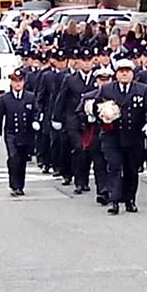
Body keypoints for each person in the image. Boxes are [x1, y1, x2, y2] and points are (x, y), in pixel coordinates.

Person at [93, 59, 147, 215]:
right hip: (112, 135)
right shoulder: (107, 90)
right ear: (116, 73)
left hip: (134, 136)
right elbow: (95, 107)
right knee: (114, 167)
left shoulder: (142, 89)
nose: (124, 73)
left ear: (132, 73)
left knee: (131, 169)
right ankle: (113, 200)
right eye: (121, 71)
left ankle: (130, 200)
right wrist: (102, 114)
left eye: (127, 70)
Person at [53, 48, 98, 194]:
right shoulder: (70, 79)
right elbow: (61, 99)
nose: (86, 64)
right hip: (73, 120)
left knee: (89, 151)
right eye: (83, 61)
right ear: (78, 62)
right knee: (79, 149)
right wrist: (57, 117)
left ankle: (84, 180)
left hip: (91, 121)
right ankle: (79, 181)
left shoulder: (96, 80)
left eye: (89, 60)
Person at [0, 69, 39, 197]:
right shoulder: (5, 98)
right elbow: (0, 116)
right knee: (13, 157)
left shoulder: (30, 97)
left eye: (20, 81)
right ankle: (14, 184)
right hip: (11, 133)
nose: (17, 84)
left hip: (25, 133)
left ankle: (20, 185)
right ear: (11, 83)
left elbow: (35, 111)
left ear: (24, 82)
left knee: (22, 160)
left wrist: (36, 121)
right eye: (15, 81)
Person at [77, 67, 114, 205]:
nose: (104, 83)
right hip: (96, 135)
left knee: (113, 164)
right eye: (101, 80)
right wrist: (88, 118)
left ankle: (114, 190)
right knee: (99, 164)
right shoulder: (89, 96)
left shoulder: (116, 95)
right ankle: (103, 191)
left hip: (113, 135)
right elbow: (79, 113)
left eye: (107, 80)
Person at [36, 50, 70, 182]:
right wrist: (40, 111)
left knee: (64, 141)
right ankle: (53, 164)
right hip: (51, 110)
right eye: (58, 60)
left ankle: (63, 167)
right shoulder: (47, 75)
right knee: (53, 139)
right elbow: (42, 94)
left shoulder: (68, 75)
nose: (61, 63)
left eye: (63, 60)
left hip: (65, 112)